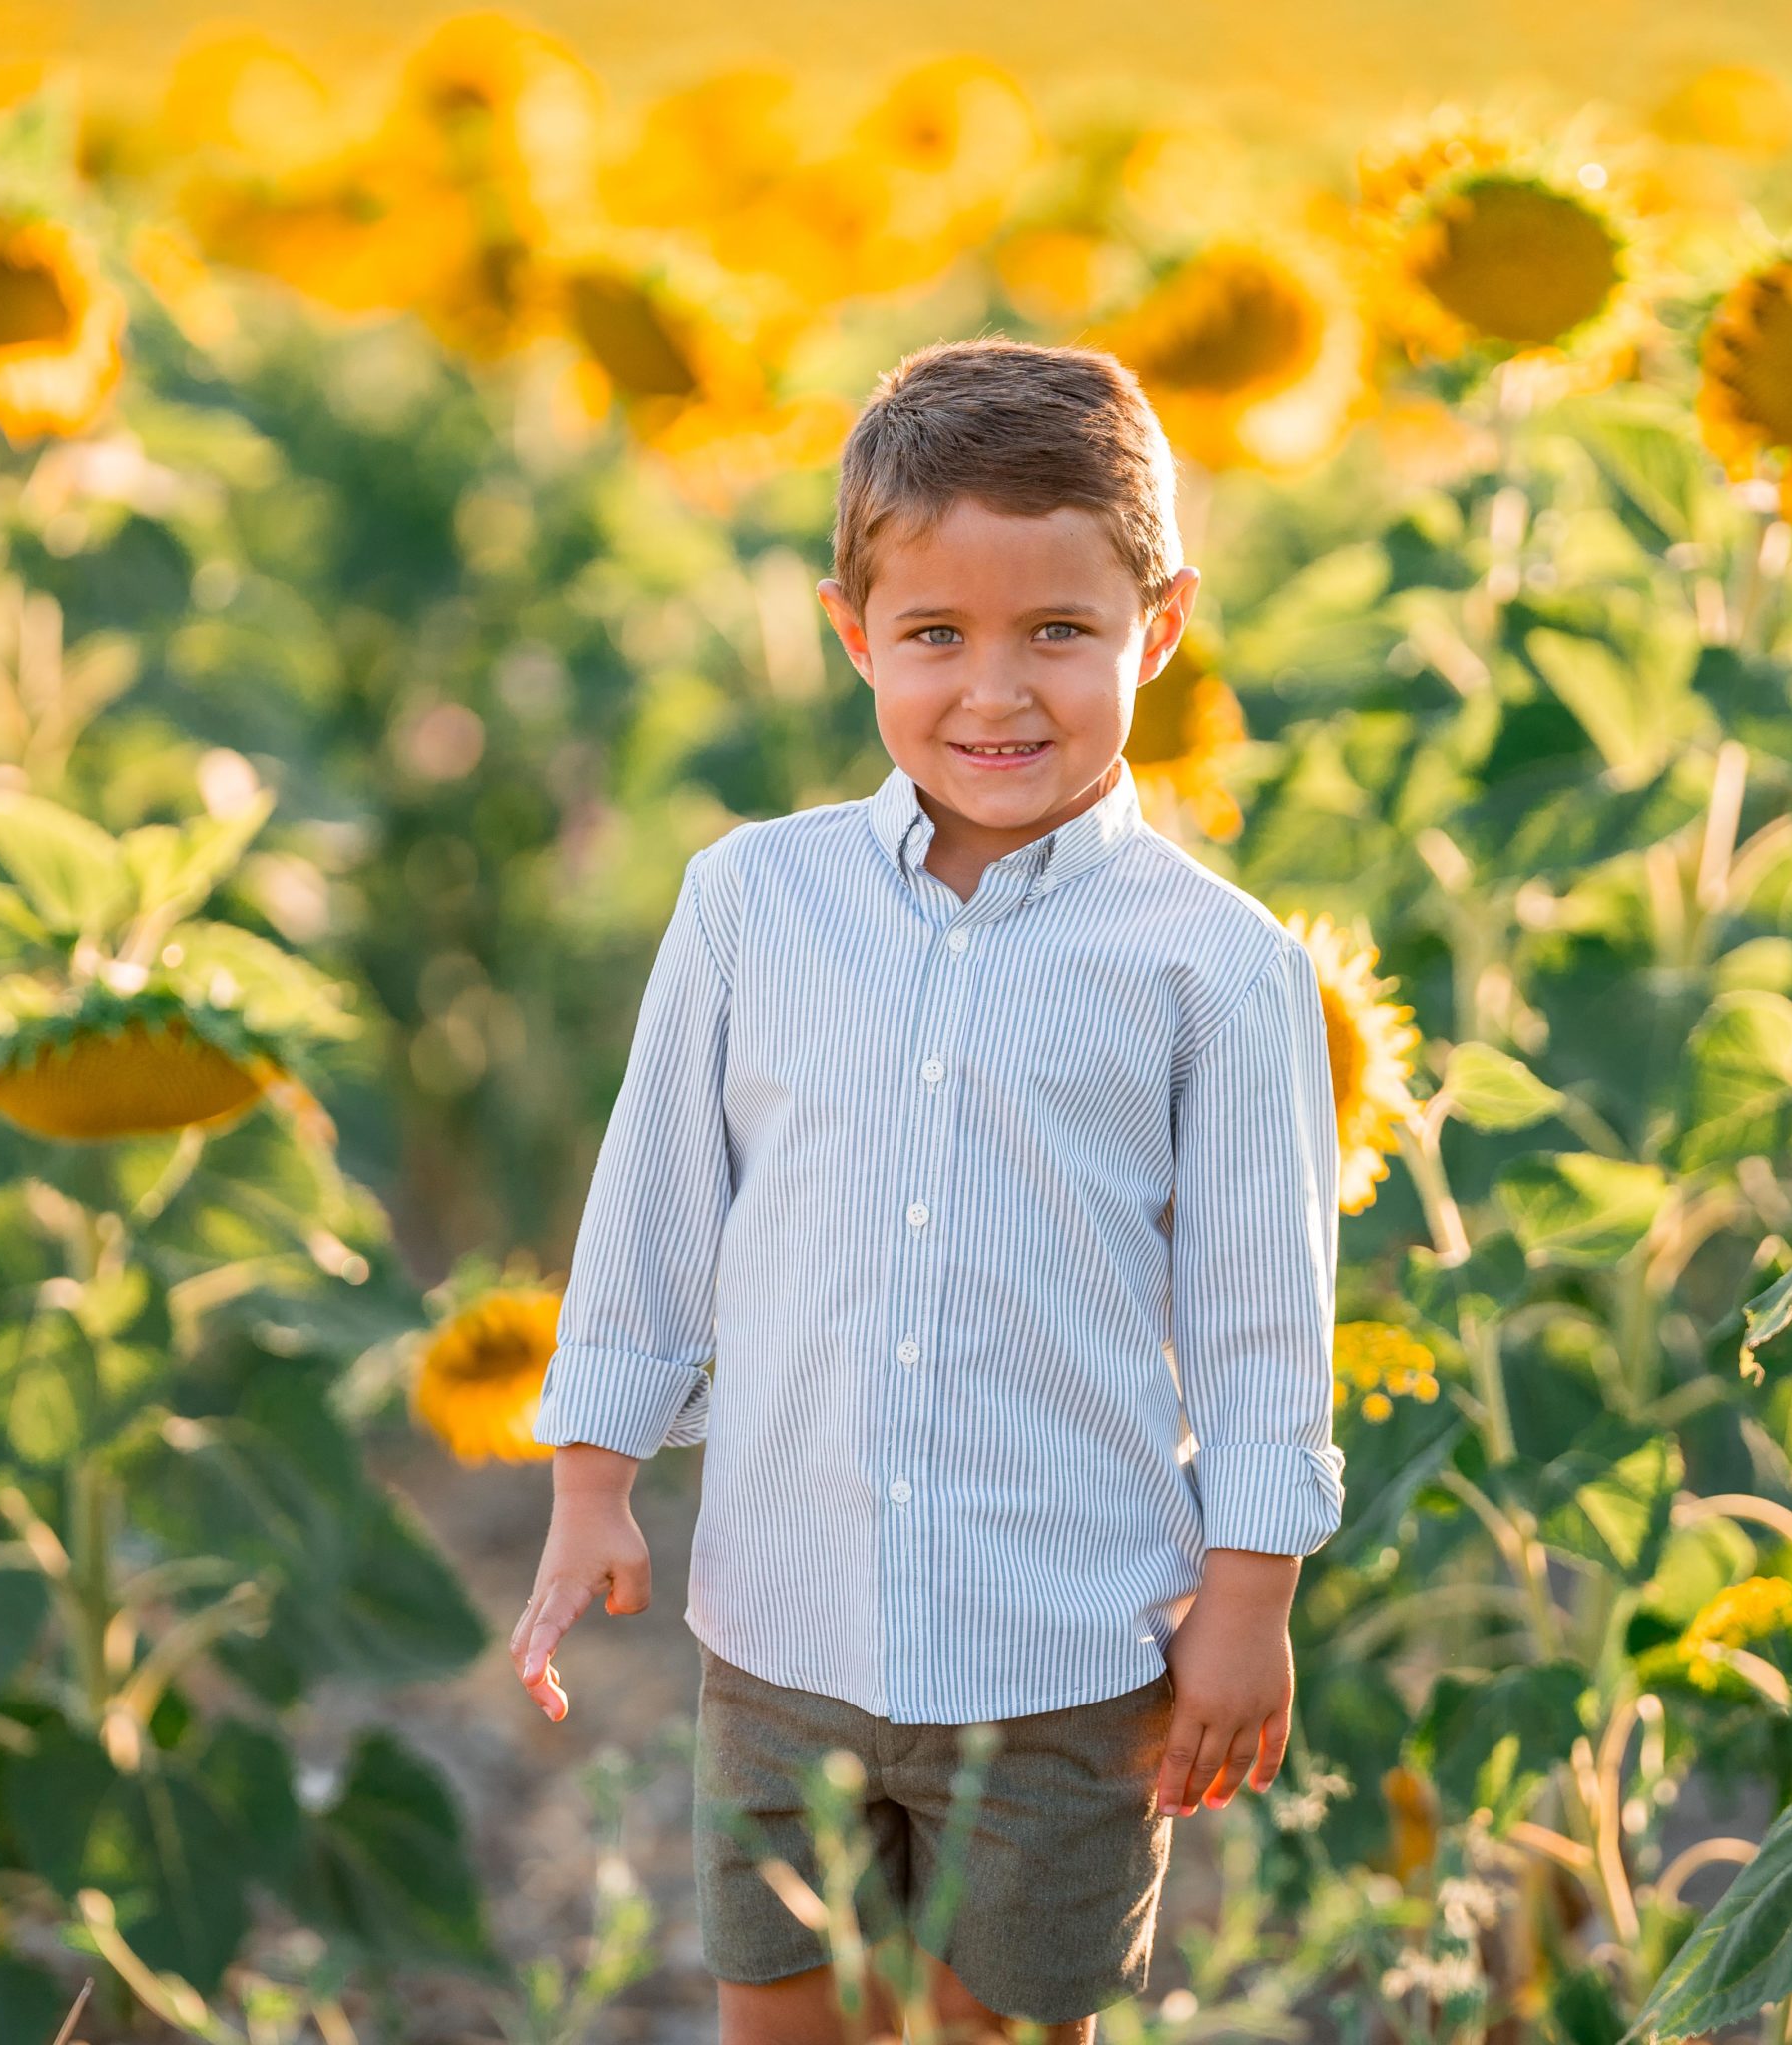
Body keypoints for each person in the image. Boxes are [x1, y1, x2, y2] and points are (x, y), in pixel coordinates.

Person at [512, 337, 1346, 2044]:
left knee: (1006, 2029)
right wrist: (594, 1475)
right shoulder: (755, 901)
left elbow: (1263, 1308)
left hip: (1064, 1652)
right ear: (852, 633)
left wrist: (1248, 1598)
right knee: (785, 2022)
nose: (997, 694)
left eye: (1060, 633)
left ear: (1160, 627)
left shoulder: (1216, 965)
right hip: (782, 1621)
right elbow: (658, 1198)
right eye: (935, 638)